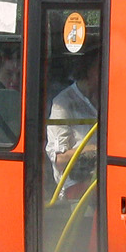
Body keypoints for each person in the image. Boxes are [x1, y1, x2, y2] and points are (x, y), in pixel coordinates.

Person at [46, 51, 99, 183]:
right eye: (101, 67)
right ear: (88, 69)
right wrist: (95, 149)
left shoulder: (108, 99)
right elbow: (59, 160)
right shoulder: (63, 103)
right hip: (76, 184)